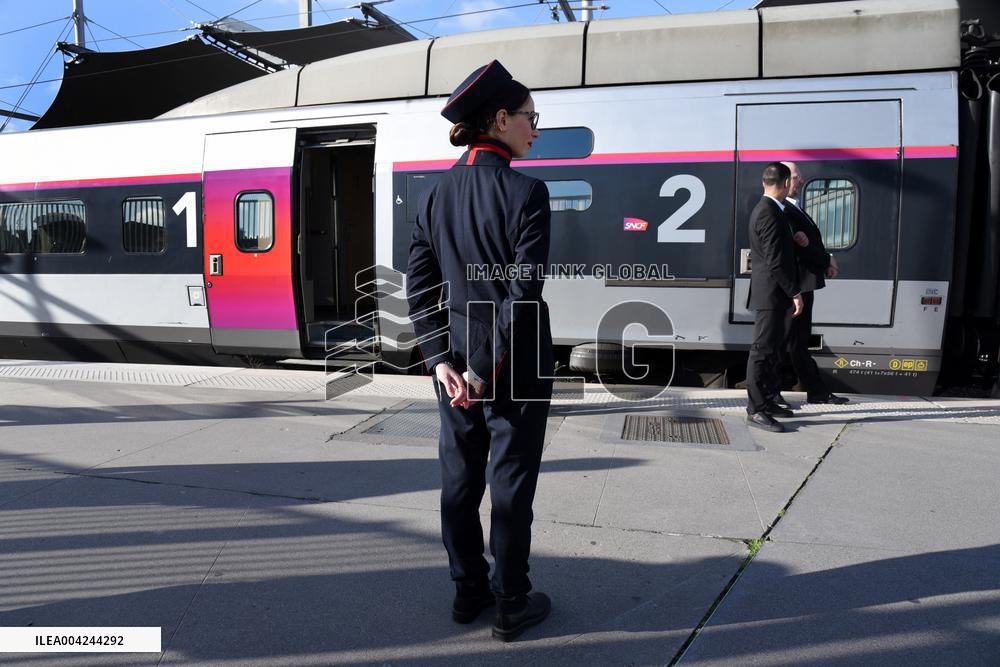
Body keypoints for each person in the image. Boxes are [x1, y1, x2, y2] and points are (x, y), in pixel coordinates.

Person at [405, 60, 554, 642]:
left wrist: (441, 360)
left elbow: (418, 287)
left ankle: (468, 590)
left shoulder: (433, 195)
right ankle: (511, 601)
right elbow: (522, 293)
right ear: (500, 119)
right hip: (513, 364)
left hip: (454, 363)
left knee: (460, 479)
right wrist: (482, 370)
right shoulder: (528, 193)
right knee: (510, 481)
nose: (535, 128)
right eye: (531, 117)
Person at [780, 161, 849, 405]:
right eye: (796, 176)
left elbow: (809, 243)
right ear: (784, 180)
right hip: (795, 286)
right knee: (788, 341)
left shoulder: (794, 208)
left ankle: (816, 390)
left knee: (797, 342)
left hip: (803, 285)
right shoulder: (783, 210)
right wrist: (826, 259)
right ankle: (772, 393)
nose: (801, 180)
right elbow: (799, 248)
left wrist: (825, 258)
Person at [745, 162, 803, 433]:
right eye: (793, 180)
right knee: (762, 351)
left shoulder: (770, 209)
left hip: (773, 294)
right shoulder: (769, 212)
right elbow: (775, 261)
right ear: (785, 183)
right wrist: (795, 292)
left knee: (771, 351)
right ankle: (756, 409)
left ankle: (767, 401)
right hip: (770, 294)